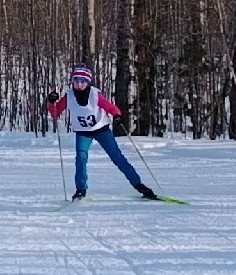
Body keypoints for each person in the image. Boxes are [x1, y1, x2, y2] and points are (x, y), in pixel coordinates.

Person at [47, 62, 159, 201]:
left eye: (83, 81)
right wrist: (51, 102)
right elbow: (55, 112)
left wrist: (117, 115)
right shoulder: (69, 96)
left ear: (88, 82)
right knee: (81, 159)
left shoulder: (95, 95)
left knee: (117, 157)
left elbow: (110, 107)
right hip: (83, 133)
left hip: (102, 130)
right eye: (76, 81)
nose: (79, 84)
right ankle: (81, 190)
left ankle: (139, 185)